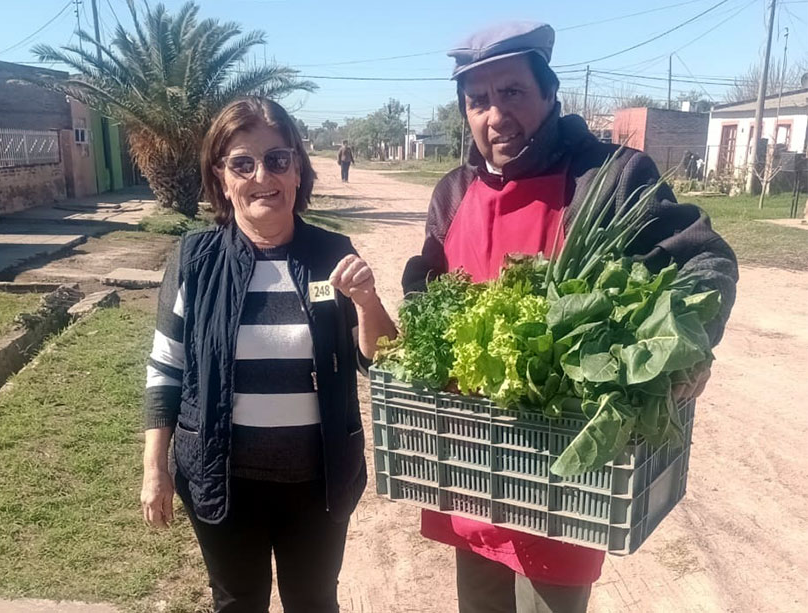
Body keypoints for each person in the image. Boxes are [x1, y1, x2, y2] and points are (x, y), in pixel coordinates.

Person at [402, 22, 738, 613]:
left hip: (565, 478)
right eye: (478, 101)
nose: (495, 115)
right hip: (470, 463)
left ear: (550, 95)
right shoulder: (451, 193)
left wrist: (690, 345)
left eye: (512, 93)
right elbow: (427, 297)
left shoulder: (609, 178)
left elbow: (706, 260)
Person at [140, 96, 396, 613]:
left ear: (298, 170)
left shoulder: (331, 253)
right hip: (221, 476)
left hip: (318, 480)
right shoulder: (195, 260)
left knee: (314, 601)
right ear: (222, 177)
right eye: (243, 163)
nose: (263, 176)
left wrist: (367, 300)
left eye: (278, 160)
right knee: (237, 601)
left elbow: (382, 360)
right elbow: (165, 369)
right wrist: (154, 467)